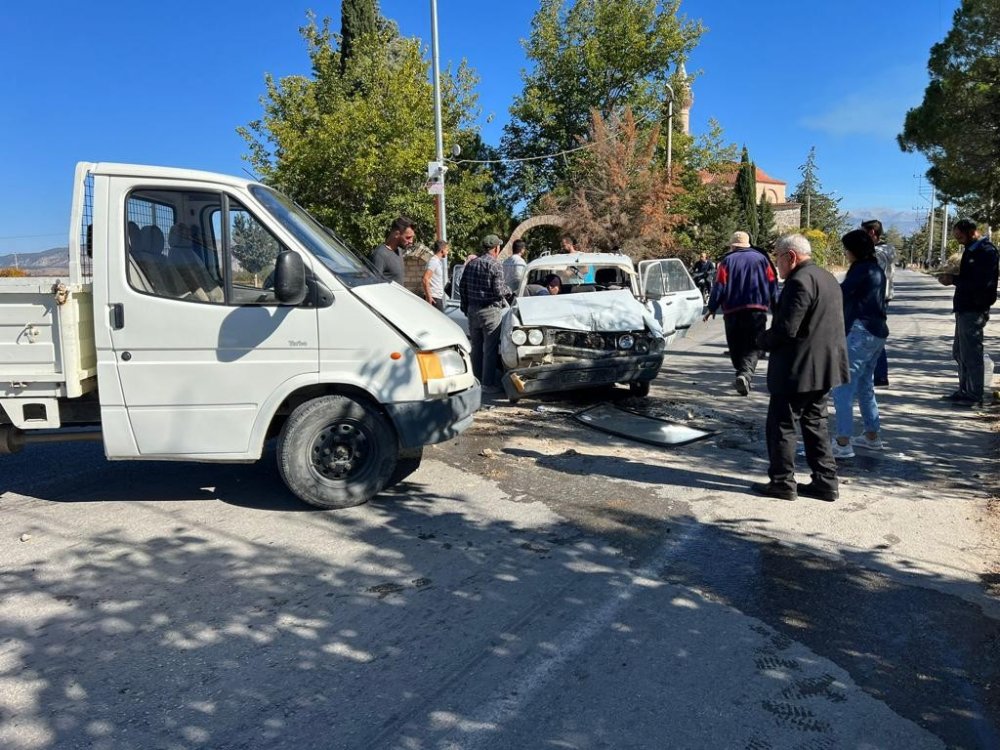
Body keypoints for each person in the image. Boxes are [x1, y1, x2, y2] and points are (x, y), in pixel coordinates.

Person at [753, 234, 848, 502]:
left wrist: (760, 340)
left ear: (791, 257)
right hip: (824, 367)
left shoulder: (799, 282)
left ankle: (782, 482)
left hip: (798, 370)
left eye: (777, 258)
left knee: (782, 425)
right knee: (815, 423)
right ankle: (826, 481)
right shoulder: (826, 277)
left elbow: (786, 329)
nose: (776, 264)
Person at [829, 230, 889, 458]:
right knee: (864, 384)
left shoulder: (861, 270)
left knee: (842, 385)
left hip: (860, 332)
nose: (845, 253)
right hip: (876, 332)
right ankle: (871, 436)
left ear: (855, 250)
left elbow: (839, 294)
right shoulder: (875, 269)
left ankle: (843, 443)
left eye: (847, 249)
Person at [704, 231, 778, 396]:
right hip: (756, 309)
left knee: (735, 345)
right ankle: (745, 374)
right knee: (753, 344)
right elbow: (772, 283)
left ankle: (742, 373)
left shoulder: (727, 260)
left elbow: (719, 285)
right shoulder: (762, 259)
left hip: (732, 310)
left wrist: (712, 307)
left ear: (733, 245)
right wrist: (776, 305)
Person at [938, 218, 999, 405]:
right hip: (964, 307)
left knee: (972, 353)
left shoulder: (986, 252)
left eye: (961, 237)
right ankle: (964, 390)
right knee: (960, 352)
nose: (959, 241)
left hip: (975, 308)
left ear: (972, 232)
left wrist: (953, 280)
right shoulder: (971, 250)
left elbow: (981, 283)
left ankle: (974, 395)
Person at [459, 234, 512, 393]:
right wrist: (510, 292)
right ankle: (487, 385)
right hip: (490, 311)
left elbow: (462, 287)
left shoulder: (471, 264)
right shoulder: (495, 265)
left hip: (472, 310)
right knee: (489, 349)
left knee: (476, 347)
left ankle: (475, 381)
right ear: (496, 248)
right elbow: (499, 290)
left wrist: (465, 307)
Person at [862, 219, 895, 387]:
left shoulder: (878, 254)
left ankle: (879, 374)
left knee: (873, 335)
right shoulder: (885, 251)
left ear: (872, 233)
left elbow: (873, 277)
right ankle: (879, 374)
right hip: (882, 297)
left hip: (877, 298)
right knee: (875, 335)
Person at [371, 217, 416, 285]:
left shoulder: (399, 251)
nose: (411, 241)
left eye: (412, 237)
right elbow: (374, 285)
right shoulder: (380, 255)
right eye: (408, 237)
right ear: (396, 234)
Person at [422, 239, 449, 311]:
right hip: (433, 298)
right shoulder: (433, 261)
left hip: (436, 297)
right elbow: (425, 279)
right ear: (442, 250)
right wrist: (429, 297)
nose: (447, 252)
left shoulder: (437, 261)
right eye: (447, 250)